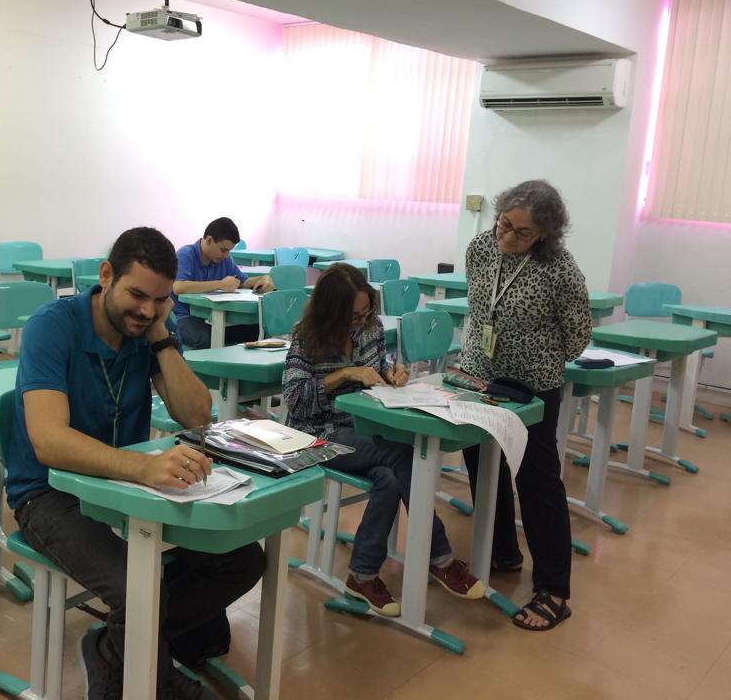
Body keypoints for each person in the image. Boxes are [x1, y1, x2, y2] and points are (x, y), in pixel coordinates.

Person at [7, 226, 264, 700]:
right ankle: (150, 673)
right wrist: (144, 468)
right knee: (136, 585)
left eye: (159, 300)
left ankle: (114, 643)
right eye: (136, 295)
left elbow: (196, 415)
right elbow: (48, 441)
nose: (145, 310)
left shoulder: (149, 331)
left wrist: (162, 335)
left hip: (123, 487)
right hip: (49, 492)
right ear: (106, 275)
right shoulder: (53, 325)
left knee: (243, 560)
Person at [282, 263, 486, 616]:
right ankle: (440, 557)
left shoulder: (370, 328)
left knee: (389, 477)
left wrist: (392, 372)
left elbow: (379, 366)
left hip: (362, 424)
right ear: (331, 313)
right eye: (353, 316)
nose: (361, 321)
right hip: (314, 434)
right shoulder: (307, 338)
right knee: (402, 455)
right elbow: (295, 398)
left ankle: (362, 574)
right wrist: (344, 373)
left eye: (365, 313)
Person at [460, 180, 592, 632]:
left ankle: (555, 589)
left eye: (521, 232)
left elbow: (577, 338)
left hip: (531, 388)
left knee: (536, 481)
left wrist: (535, 351)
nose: (506, 237)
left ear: (545, 235)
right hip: (478, 376)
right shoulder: (480, 248)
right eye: (504, 224)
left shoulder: (559, 270)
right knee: (481, 463)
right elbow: (480, 311)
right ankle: (501, 552)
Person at [171, 217, 275, 349]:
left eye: (229, 251)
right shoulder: (186, 254)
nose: (226, 255)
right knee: (205, 338)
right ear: (209, 240)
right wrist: (219, 284)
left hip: (213, 319)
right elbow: (179, 287)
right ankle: (204, 369)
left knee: (257, 331)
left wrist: (264, 278)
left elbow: (243, 282)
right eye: (223, 250)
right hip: (183, 316)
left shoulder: (222, 259)